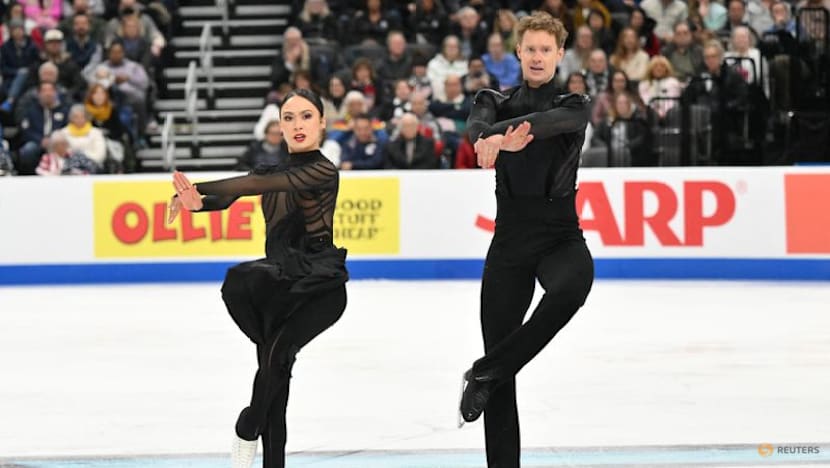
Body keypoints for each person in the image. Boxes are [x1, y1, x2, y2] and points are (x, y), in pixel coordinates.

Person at [168, 88, 348, 468]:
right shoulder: (271, 170)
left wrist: (202, 189)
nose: (297, 125)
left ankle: (247, 425)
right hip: (277, 285)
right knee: (275, 374)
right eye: (288, 118)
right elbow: (232, 196)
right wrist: (196, 203)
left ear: (322, 122)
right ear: (279, 126)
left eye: (305, 116)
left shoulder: (323, 170)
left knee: (278, 356)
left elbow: (250, 187)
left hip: (319, 286)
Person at [460, 11, 594, 468]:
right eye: (529, 48)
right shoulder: (492, 98)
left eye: (545, 49)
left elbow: (546, 124)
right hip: (510, 241)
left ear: (560, 54)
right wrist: (489, 137)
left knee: (573, 288)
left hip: (559, 235)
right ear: (518, 52)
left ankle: (486, 370)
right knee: (501, 385)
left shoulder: (575, 104)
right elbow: (474, 128)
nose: (537, 57)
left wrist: (500, 138)